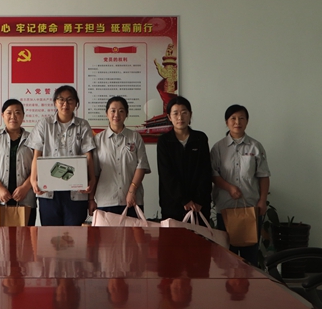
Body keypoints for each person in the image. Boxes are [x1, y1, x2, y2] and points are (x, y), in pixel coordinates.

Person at [27, 85, 96, 226]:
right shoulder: (44, 124)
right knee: (50, 235)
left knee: (75, 235)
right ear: (55, 102)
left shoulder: (83, 125)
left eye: (70, 100)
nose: (65, 104)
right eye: (61, 100)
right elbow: (37, 155)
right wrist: (33, 180)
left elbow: (88, 155)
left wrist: (92, 180)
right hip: (49, 192)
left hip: (76, 191)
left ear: (76, 103)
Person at [211, 104, 270, 266]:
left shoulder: (255, 146)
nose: (237, 122)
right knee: (226, 258)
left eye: (242, 118)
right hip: (225, 208)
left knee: (249, 258)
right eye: (233, 118)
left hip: (250, 208)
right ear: (226, 122)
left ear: (247, 121)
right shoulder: (218, 148)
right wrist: (229, 188)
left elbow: (263, 175)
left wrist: (262, 200)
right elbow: (213, 174)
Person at [156, 96, 212, 224]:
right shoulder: (164, 141)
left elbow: (205, 171)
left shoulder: (200, 138)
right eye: (175, 113)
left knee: (199, 236)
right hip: (173, 204)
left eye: (184, 112)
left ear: (190, 115)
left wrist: (199, 200)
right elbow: (166, 174)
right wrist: (184, 199)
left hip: (199, 205)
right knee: (174, 237)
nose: (180, 117)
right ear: (169, 117)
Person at [93, 96, 151, 218]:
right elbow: (95, 172)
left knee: (134, 231)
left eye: (121, 111)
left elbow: (141, 166)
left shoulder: (135, 137)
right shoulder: (98, 139)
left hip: (132, 200)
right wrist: (91, 199)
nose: (116, 115)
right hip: (106, 200)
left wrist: (131, 191)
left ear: (126, 114)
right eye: (113, 111)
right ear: (106, 113)